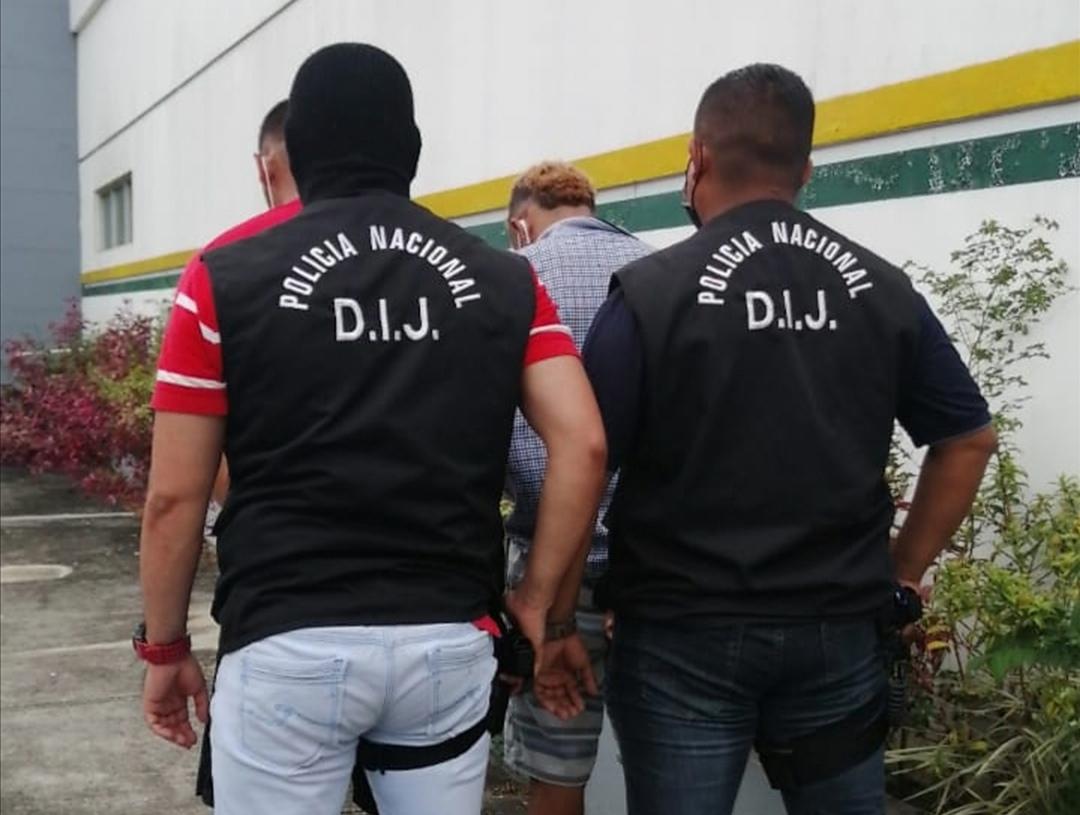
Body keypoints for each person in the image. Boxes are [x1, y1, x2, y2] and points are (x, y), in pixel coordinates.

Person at [135, 43, 606, 815]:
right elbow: (583, 443)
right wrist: (539, 602)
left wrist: (164, 646)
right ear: (411, 152)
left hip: (286, 638)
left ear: (295, 154)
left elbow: (173, 498)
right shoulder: (505, 280)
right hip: (446, 642)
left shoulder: (222, 276)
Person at [581, 63, 997, 815]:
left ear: (697, 158)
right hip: (836, 626)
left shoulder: (652, 293)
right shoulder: (884, 288)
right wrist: (900, 572)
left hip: (681, 632)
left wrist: (554, 613)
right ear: (806, 168)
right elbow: (968, 438)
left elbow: (584, 455)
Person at [502, 161, 651, 815]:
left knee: (558, 770)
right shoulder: (659, 271)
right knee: (676, 763)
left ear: (519, 226)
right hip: (656, 573)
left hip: (549, 563)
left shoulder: (514, 281)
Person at [203, 98, 300, 517]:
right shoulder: (439, 259)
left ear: (265, 167)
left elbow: (179, 489)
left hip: (275, 544)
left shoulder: (219, 267)